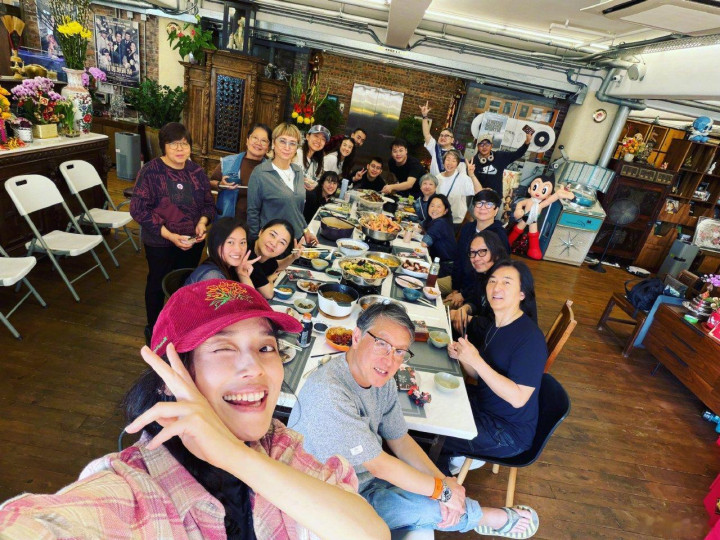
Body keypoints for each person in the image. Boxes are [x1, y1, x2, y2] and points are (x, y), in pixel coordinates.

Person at [0, 280, 390, 539]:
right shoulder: (135, 490)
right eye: (222, 348)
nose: (255, 367)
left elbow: (370, 533)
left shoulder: (278, 446)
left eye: (265, 347)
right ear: (168, 379)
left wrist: (234, 455)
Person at [289, 303, 539, 537]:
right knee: (431, 506)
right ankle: (486, 517)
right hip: (320, 496)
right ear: (356, 337)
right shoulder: (331, 391)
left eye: (399, 351)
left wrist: (444, 484)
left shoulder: (380, 378)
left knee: (432, 498)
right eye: (381, 344)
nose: (389, 360)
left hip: (362, 481)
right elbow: (379, 465)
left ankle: (470, 512)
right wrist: (443, 492)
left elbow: (399, 439)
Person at [441, 260, 546, 477]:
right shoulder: (496, 324)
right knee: (435, 404)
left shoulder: (530, 339)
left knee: (436, 433)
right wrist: (463, 356)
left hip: (507, 433)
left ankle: (441, 486)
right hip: (483, 406)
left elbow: (518, 398)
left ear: (522, 294)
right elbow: (480, 374)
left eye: (507, 282)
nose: (497, 288)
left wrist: (476, 360)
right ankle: (444, 463)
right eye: (492, 281)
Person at [130, 122, 215, 345]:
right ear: (163, 146)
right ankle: (154, 328)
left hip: (191, 242)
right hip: (160, 241)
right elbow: (138, 209)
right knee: (157, 283)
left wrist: (202, 223)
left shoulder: (196, 172)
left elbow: (208, 204)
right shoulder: (150, 171)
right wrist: (168, 234)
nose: (180, 149)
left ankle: (179, 325)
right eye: (173, 144)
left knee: (184, 283)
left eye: (184, 144)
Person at [247, 122, 318, 246]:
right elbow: (253, 212)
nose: (287, 147)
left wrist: (306, 231)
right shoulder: (260, 173)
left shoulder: (298, 171)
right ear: (273, 143)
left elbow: (297, 209)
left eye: (292, 143)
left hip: (295, 241)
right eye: (282, 141)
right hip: (272, 244)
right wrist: (255, 243)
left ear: (296, 148)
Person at [442, 189, 510, 304]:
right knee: (427, 285)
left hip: (477, 292)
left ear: (496, 210)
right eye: (479, 203)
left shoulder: (499, 236)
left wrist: (463, 295)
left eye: (489, 204)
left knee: (443, 308)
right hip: (458, 282)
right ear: (473, 207)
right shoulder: (468, 228)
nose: (483, 208)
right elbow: (459, 259)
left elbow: (494, 274)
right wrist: (455, 289)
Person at [448, 230, 510, 336]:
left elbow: (496, 327)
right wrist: (466, 308)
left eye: (482, 252)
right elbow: (476, 299)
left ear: (496, 252)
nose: (476, 258)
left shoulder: (506, 282)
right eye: (472, 253)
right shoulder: (482, 273)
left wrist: (465, 318)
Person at [209, 123, 271, 220]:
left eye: (264, 140)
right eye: (255, 138)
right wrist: (220, 184)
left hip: (257, 223)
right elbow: (209, 183)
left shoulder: (272, 170)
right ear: (247, 140)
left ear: (268, 147)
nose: (258, 143)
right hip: (227, 221)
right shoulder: (229, 162)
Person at [185, 217, 258, 287]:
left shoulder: (227, 268)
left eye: (242, 242)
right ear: (215, 244)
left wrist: (242, 274)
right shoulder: (213, 277)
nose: (238, 249)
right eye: (230, 242)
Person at [247, 219, 302, 299]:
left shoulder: (265, 254)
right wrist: (269, 280)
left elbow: (277, 265)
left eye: (282, 242)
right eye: (272, 235)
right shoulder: (249, 254)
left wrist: (293, 256)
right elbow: (269, 294)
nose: (274, 243)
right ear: (261, 232)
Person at [471, 131, 531, 199]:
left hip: (496, 197)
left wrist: (527, 142)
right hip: (479, 197)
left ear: (491, 146)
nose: (484, 147)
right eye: (481, 144)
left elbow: (517, 154)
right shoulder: (473, 162)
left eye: (487, 144)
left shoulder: (500, 156)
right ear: (478, 146)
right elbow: (470, 182)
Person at [420, 101, 466, 176]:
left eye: (446, 136)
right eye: (441, 135)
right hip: (433, 182)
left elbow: (462, 174)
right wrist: (424, 116)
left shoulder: (457, 154)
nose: (443, 137)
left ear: (452, 140)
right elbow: (426, 134)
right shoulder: (435, 147)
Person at [436, 149, 480, 225]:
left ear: (457, 164)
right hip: (437, 218)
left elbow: (478, 191)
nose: (450, 163)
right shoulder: (437, 178)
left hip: (454, 221)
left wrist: (472, 175)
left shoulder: (463, 178)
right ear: (443, 161)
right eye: (448, 159)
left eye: (454, 161)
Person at [421, 194, 457, 278]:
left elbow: (424, 243)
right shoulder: (439, 221)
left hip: (445, 269)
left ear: (445, 211)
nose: (434, 209)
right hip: (439, 263)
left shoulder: (441, 223)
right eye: (432, 205)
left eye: (439, 207)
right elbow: (421, 227)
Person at [293, 124, 330, 189]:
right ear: (307, 136)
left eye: (323, 139)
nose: (319, 141)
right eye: (316, 136)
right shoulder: (295, 153)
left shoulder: (317, 163)